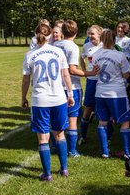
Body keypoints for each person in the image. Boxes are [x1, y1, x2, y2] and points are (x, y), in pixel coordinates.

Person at [21, 23, 74, 181]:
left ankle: (47, 174)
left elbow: (25, 80)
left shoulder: (30, 54)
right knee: (60, 134)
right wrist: (70, 94)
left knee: (43, 138)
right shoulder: (58, 52)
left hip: (40, 100)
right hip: (59, 98)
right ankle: (64, 169)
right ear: (50, 34)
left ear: (35, 35)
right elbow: (66, 76)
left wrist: (23, 98)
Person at [54, 20, 97, 157]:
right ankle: (72, 150)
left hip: (56, 87)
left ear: (62, 32)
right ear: (76, 32)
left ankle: (55, 146)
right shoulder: (72, 47)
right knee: (72, 119)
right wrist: (89, 73)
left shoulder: (55, 44)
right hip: (71, 86)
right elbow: (72, 70)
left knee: (57, 117)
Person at [92, 29, 130, 159]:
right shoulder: (120, 55)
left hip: (100, 92)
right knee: (124, 122)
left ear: (102, 40)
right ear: (114, 40)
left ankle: (104, 152)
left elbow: (95, 71)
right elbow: (126, 74)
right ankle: (126, 152)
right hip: (117, 93)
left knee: (102, 122)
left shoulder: (96, 54)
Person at [78, 25, 103, 145]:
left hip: (103, 82)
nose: (90, 36)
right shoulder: (86, 46)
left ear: (99, 34)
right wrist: (85, 73)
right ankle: (83, 136)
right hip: (91, 81)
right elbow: (81, 58)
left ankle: (106, 137)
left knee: (103, 110)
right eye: (89, 33)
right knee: (87, 109)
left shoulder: (105, 46)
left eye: (92, 33)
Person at [114, 21, 130, 124]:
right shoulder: (112, 39)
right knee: (114, 94)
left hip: (125, 72)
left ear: (126, 29)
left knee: (127, 94)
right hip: (114, 72)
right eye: (118, 27)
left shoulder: (128, 41)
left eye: (122, 28)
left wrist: (124, 57)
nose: (120, 29)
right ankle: (116, 114)